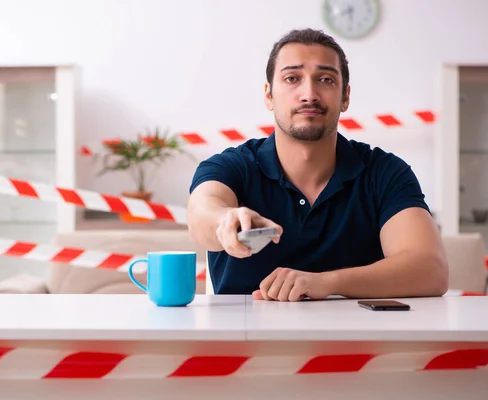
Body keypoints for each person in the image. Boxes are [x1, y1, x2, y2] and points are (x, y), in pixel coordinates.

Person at [186, 28, 448, 302]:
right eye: (292, 78)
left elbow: (431, 270)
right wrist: (224, 222)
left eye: (325, 79)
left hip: (355, 340)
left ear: (345, 96)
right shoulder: (232, 166)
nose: (309, 93)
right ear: (268, 95)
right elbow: (201, 216)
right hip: (245, 341)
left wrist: (326, 282)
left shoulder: (385, 172)